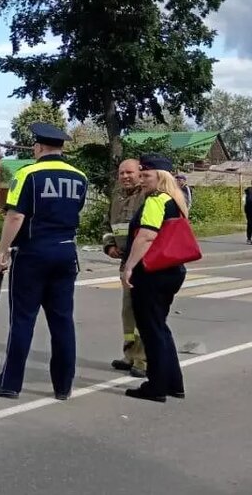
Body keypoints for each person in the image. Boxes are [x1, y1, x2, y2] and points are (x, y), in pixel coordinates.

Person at [0, 122, 88, 401]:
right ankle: (63, 386)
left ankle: (10, 383)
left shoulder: (27, 173)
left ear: (37, 147)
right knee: (62, 321)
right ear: (61, 148)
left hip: (34, 253)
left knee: (23, 319)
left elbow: (15, 216)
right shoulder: (80, 177)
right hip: (66, 252)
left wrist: (2, 252)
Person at [120, 154, 189, 403]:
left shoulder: (157, 199)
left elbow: (147, 236)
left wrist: (129, 267)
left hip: (152, 273)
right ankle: (173, 382)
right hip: (171, 271)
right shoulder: (175, 200)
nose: (142, 179)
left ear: (160, 177)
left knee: (151, 330)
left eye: (146, 175)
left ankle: (156, 385)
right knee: (160, 328)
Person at [103, 159, 146, 378]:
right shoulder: (117, 197)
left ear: (140, 173)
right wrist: (109, 245)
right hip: (125, 263)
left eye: (129, 172)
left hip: (145, 263)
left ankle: (143, 359)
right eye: (121, 173)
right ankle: (130, 355)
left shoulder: (147, 196)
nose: (125, 177)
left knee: (143, 313)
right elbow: (107, 226)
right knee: (128, 312)